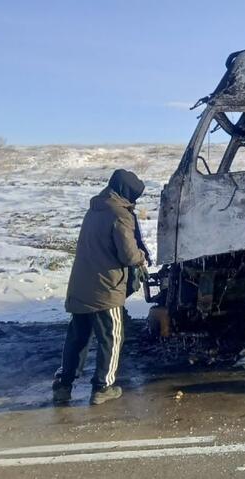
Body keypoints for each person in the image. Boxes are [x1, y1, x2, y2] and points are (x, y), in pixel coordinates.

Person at [52, 169, 149, 405]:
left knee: (78, 337)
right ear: (127, 193)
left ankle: (64, 385)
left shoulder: (95, 209)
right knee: (112, 337)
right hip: (106, 288)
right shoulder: (120, 214)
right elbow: (127, 254)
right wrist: (141, 258)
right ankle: (103, 387)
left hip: (82, 284)